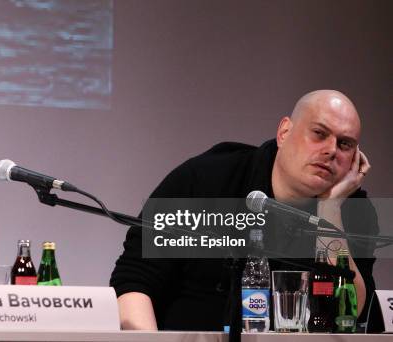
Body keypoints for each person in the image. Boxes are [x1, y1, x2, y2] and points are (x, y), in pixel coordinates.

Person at [110, 90, 378, 330]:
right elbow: (135, 280)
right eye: (319, 133)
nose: (331, 150)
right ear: (284, 132)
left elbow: (351, 315)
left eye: (345, 144)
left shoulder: (355, 211)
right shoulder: (208, 179)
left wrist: (330, 212)